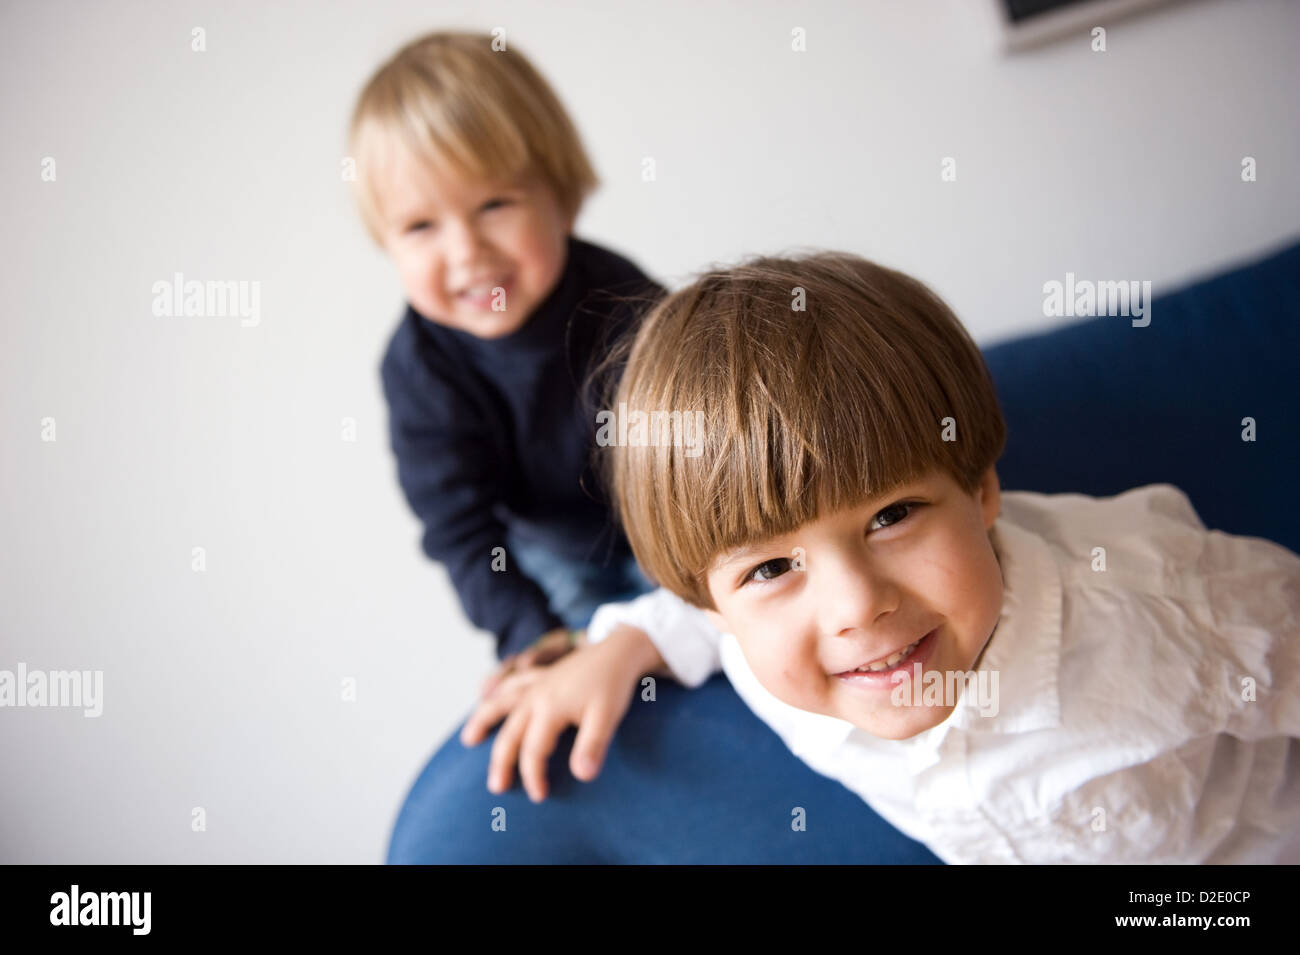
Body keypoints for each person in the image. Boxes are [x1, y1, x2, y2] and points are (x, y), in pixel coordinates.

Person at [477, 250, 1300, 862]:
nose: (853, 606)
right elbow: (697, 614)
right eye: (772, 568)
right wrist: (618, 648)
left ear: (980, 491)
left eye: (893, 515)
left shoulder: (1161, 612)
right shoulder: (747, 633)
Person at [347, 31, 660, 698]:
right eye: (420, 227)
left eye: (494, 205)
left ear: (561, 195)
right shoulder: (420, 371)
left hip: (668, 516)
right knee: (576, 671)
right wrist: (530, 633)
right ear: (386, 243)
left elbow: (707, 449)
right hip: (553, 550)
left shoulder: (626, 305)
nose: (465, 251)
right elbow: (460, 528)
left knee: (719, 632)